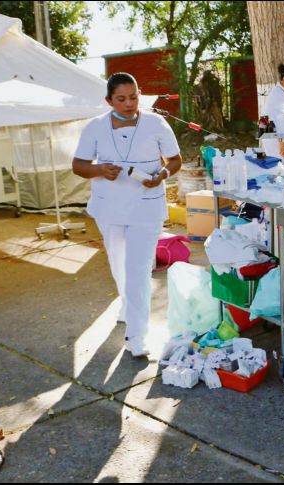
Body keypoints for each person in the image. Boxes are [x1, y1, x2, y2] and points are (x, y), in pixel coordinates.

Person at [72, 72, 182, 358]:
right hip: (109, 208)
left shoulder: (156, 123)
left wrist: (163, 174)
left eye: (133, 97)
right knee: (119, 265)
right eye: (121, 99)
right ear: (108, 100)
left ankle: (137, 336)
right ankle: (127, 305)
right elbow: (78, 165)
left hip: (146, 208)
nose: (129, 103)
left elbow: (175, 159)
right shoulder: (94, 127)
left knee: (138, 270)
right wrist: (99, 170)